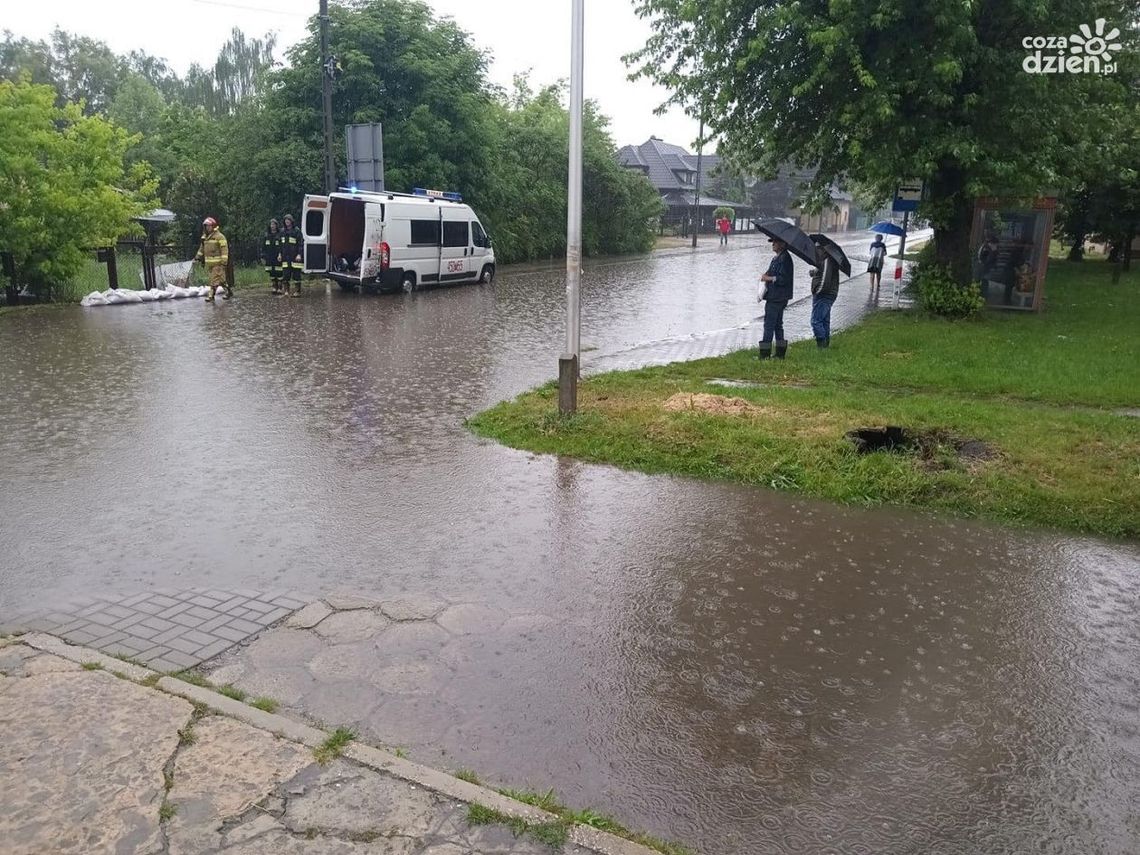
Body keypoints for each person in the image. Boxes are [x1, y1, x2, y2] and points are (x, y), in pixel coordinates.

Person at [758, 237, 793, 359]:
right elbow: (772, 272)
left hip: (777, 298)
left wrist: (769, 278)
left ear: (782, 244)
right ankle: (780, 354)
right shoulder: (777, 258)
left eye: (775, 242)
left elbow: (783, 279)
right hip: (776, 296)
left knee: (769, 324)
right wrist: (766, 274)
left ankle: (764, 355)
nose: (773, 244)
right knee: (778, 324)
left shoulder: (784, 259)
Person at [810, 242, 840, 348]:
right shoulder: (824, 261)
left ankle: (821, 346)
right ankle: (826, 345)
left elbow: (826, 280)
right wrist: (814, 272)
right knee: (824, 320)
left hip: (824, 295)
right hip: (826, 294)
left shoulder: (827, 260)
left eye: (818, 249)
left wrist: (817, 291)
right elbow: (823, 272)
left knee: (816, 321)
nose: (816, 251)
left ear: (823, 250)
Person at [195, 217, 231, 302]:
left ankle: (211, 296)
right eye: (206, 226)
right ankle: (228, 292)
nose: (207, 228)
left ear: (213, 226)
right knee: (221, 280)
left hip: (218, 263)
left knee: (214, 280)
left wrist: (224, 261)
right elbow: (201, 249)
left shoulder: (220, 237)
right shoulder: (204, 238)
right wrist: (197, 257)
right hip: (209, 264)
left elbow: (224, 249)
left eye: (208, 226)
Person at [280, 213, 303, 297]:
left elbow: (300, 244)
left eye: (288, 220)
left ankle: (298, 291)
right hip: (286, 257)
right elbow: (280, 245)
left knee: (296, 275)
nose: (287, 222)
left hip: (295, 257)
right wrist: (279, 254)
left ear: (291, 221)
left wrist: (299, 254)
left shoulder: (297, 231)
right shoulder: (282, 231)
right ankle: (286, 291)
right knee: (286, 274)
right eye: (286, 220)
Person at [264, 218, 284, 295]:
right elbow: (263, 246)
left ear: (276, 225)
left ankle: (280, 287)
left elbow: (282, 246)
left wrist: (280, 254)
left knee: (279, 272)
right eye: (271, 224)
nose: (272, 226)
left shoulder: (280, 235)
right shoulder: (266, 235)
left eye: (274, 224)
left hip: (277, 256)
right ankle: (274, 287)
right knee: (271, 272)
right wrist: (263, 256)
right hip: (269, 257)